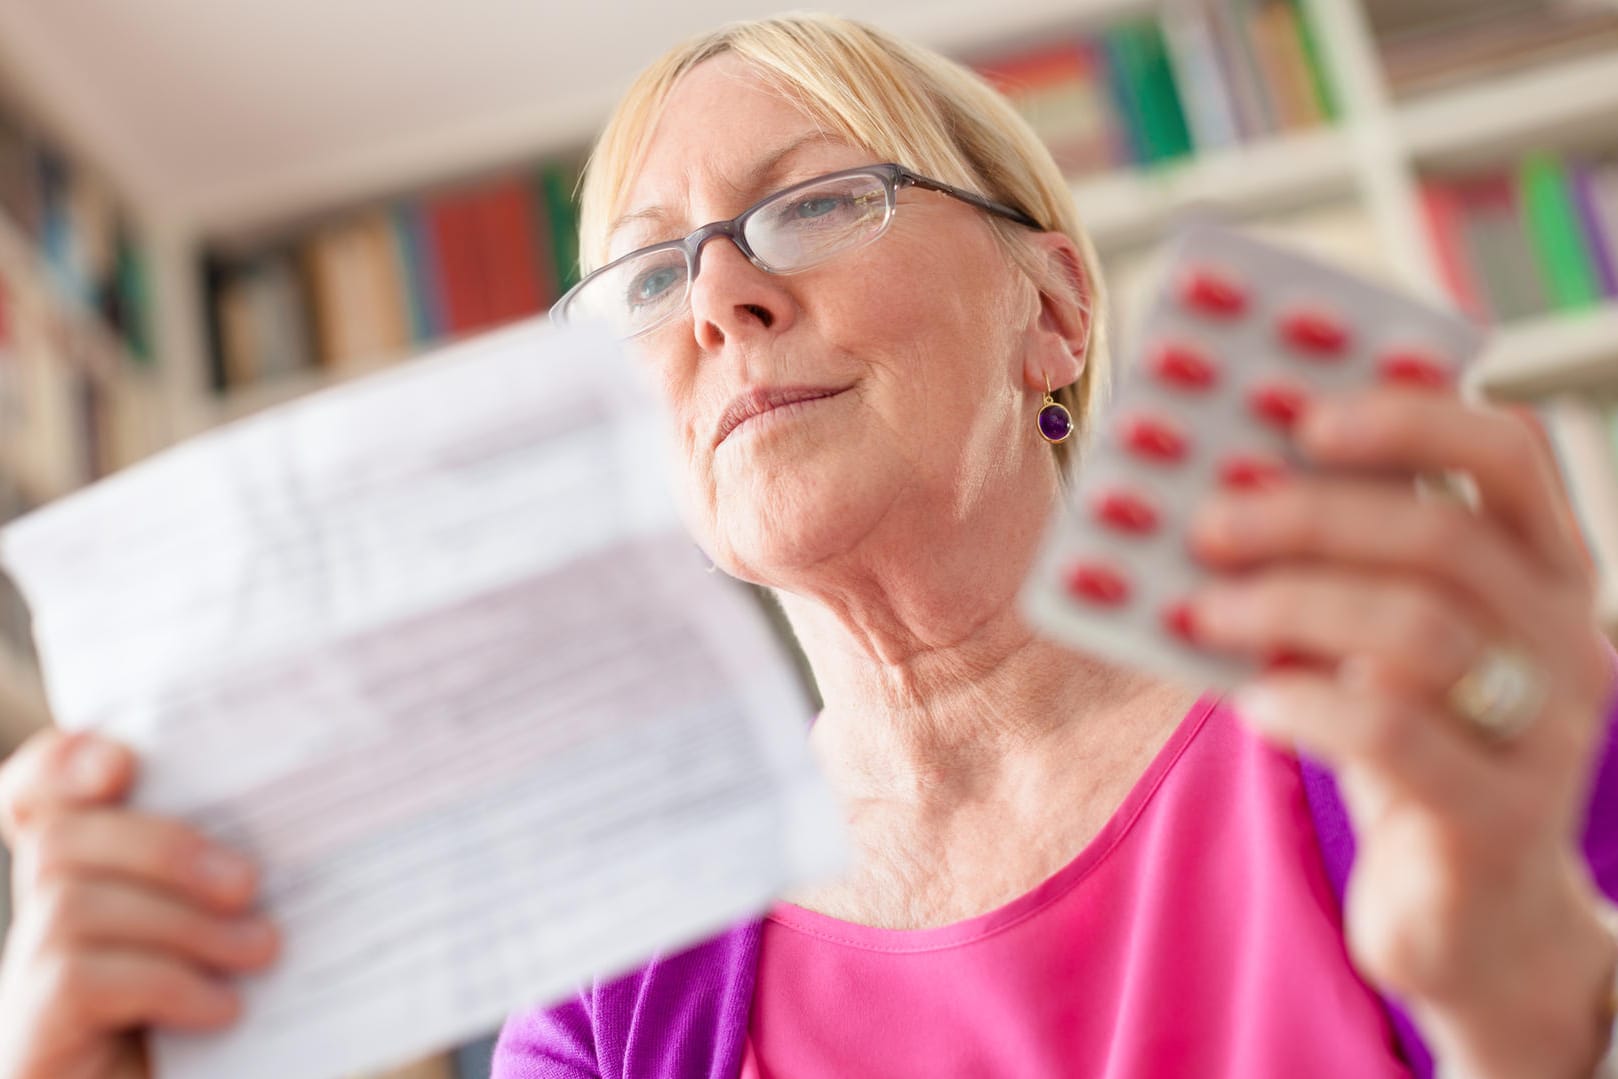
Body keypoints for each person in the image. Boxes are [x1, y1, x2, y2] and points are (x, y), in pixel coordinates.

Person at [1, 12, 1616, 1079]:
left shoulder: (1443, 739)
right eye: (647, 280)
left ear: (1050, 312)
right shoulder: (613, 984)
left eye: (818, 200)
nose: (720, 300)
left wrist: (1528, 1023)